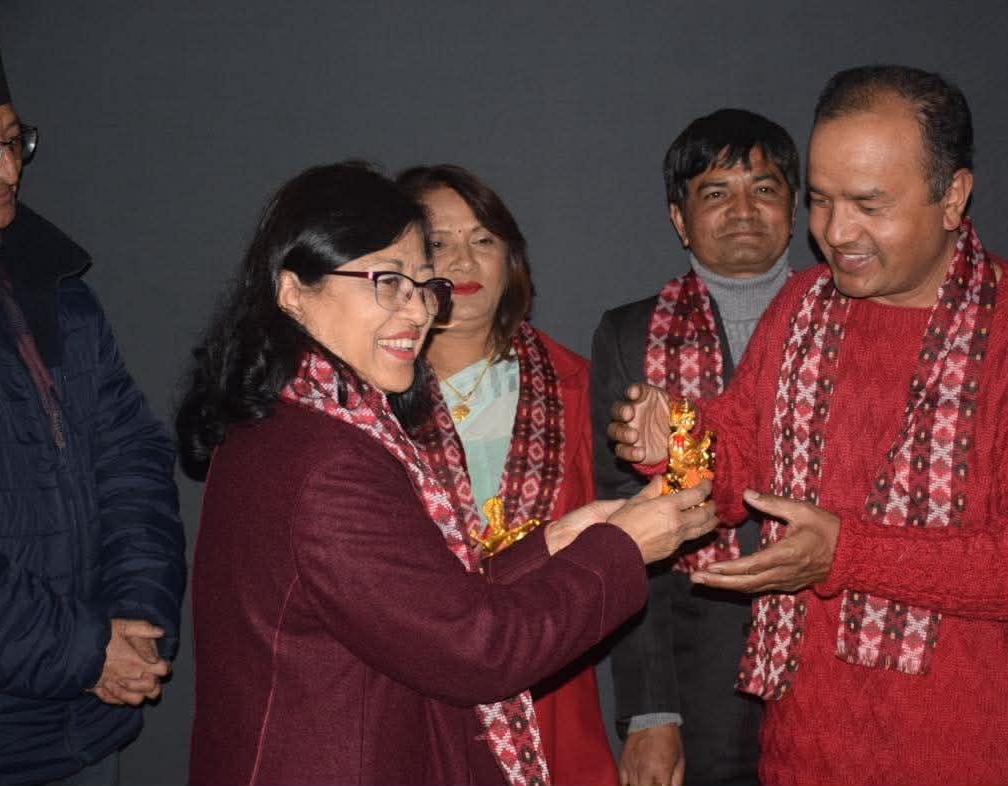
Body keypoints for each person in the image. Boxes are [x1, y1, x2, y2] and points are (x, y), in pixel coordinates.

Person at [609, 65, 1008, 786]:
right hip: (806, 753)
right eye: (820, 200)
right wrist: (677, 444)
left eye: (869, 205)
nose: (836, 233)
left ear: (952, 198)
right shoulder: (802, 307)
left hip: (991, 759)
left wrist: (848, 552)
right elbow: (739, 457)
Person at [178, 161, 718, 786]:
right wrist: (620, 548)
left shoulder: (296, 417)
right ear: (293, 291)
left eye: (420, 284)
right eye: (387, 281)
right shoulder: (328, 461)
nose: (417, 310)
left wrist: (555, 544)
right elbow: (477, 650)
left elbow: (416, 608)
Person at [591, 108, 799, 786]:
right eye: (716, 192)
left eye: (763, 188)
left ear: (793, 208)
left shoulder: (851, 319)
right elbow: (623, 533)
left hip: (832, 656)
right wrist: (650, 713)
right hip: (696, 671)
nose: (743, 209)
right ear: (679, 219)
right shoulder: (629, 335)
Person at [396, 164, 620, 786]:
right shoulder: (363, 402)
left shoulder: (576, 385)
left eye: (483, 239)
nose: (463, 260)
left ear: (511, 259)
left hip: (553, 697)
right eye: (438, 242)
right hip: (411, 698)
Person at [0, 45, 185, 786]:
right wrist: (86, 651)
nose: (8, 170)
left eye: (12, 142)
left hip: (85, 723)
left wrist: (136, 621)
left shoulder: (56, 288)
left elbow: (132, 459)